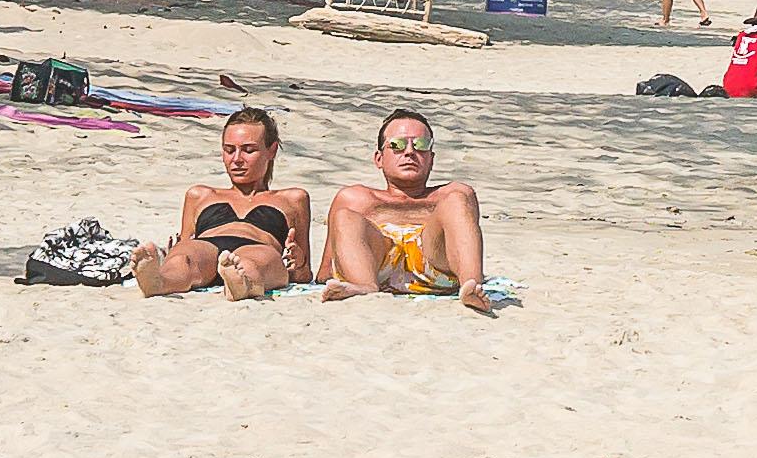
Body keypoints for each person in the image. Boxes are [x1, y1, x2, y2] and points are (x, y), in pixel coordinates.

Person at [323, 107, 506, 312]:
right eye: (397, 145)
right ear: (379, 159)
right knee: (346, 216)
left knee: (457, 199)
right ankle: (364, 287)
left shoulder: (450, 195)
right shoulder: (356, 198)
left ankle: (471, 286)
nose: (410, 152)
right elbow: (325, 272)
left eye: (421, 145)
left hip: (434, 262)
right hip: (375, 264)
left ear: (431, 158)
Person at [145, 107, 311, 298]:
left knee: (252, 264)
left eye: (248, 150)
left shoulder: (292, 199)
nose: (237, 159)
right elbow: (186, 240)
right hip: (206, 246)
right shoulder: (200, 195)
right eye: (229, 150)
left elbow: (303, 274)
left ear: (271, 150)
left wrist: (298, 263)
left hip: (258, 247)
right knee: (183, 259)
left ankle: (242, 284)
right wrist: (175, 251)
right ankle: (160, 282)